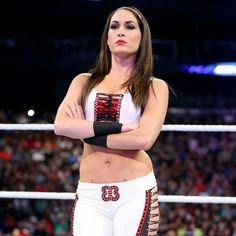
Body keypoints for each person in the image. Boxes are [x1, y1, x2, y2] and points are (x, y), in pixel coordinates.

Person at [54, 5, 169, 236]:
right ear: (106, 38)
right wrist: (123, 128)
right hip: (90, 193)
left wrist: (86, 131)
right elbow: (61, 125)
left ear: (142, 37)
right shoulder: (83, 82)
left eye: (129, 26)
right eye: (114, 27)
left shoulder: (154, 86)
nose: (121, 32)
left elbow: (144, 139)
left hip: (134, 191)